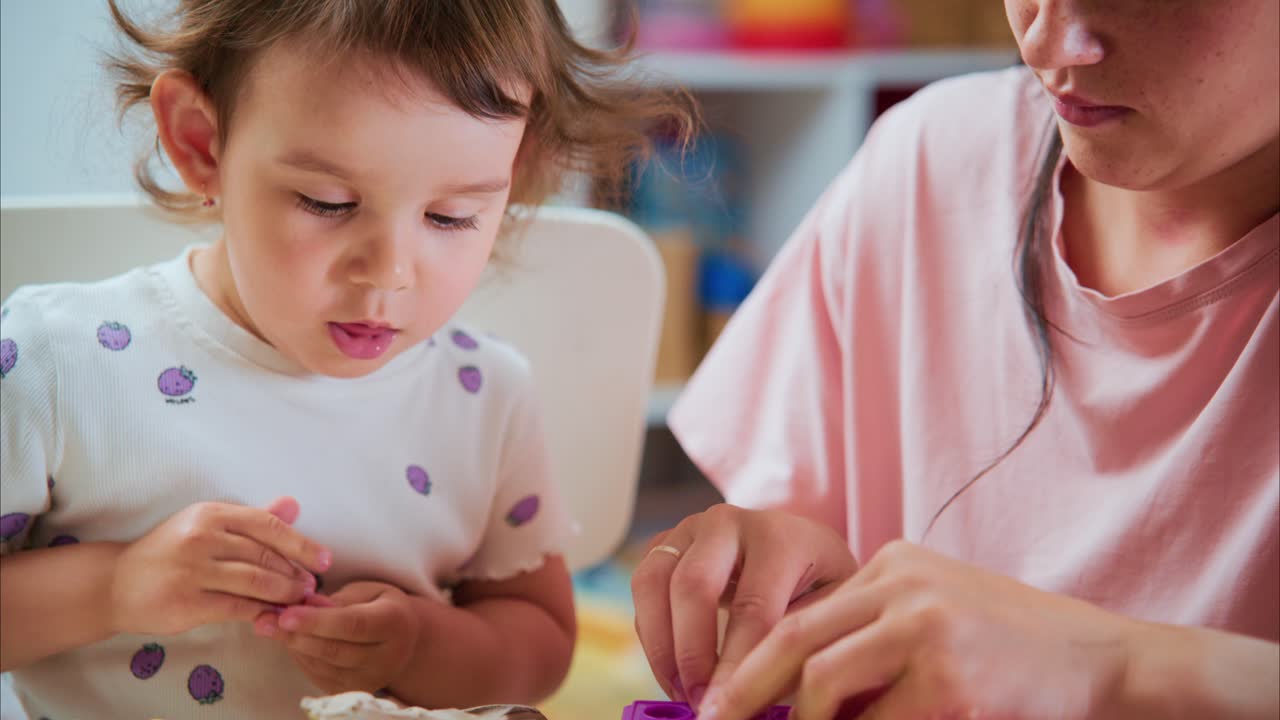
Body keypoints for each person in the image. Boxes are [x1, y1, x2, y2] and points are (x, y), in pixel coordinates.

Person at [0, 1, 688, 717]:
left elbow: (538, 647)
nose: (389, 272)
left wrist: (422, 646)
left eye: (451, 216)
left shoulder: (483, 394)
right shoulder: (57, 363)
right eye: (327, 202)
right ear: (201, 142)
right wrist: (117, 586)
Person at [632, 1, 1279, 718]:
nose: (1046, 42)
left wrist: (1112, 671)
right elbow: (817, 568)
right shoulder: (932, 160)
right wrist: (795, 576)